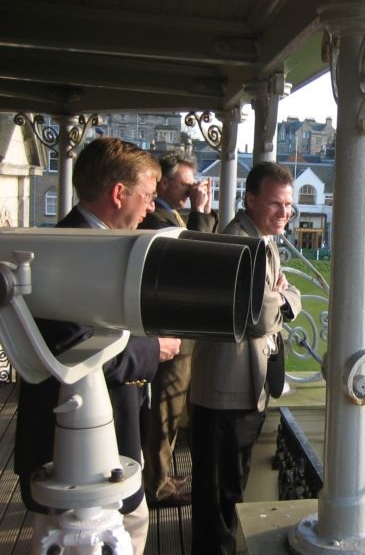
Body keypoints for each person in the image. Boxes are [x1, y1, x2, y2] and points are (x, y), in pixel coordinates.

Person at [14, 137, 181, 555]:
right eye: (146, 195)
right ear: (119, 192)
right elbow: (75, 349)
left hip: (99, 433)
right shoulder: (74, 252)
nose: (149, 208)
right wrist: (153, 348)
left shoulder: (89, 242)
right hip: (71, 447)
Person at [189, 162, 301, 555]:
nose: (284, 213)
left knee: (225, 489)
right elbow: (260, 316)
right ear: (250, 200)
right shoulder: (240, 242)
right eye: (275, 204)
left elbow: (269, 302)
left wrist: (278, 295)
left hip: (240, 386)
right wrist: (286, 297)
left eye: (289, 205)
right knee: (220, 495)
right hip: (227, 392)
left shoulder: (260, 239)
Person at [138, 150, 216, 508]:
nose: (191, 190)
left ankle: (163, 474)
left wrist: (198, 212)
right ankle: (157, 485)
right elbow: (196, 256)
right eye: (186, 184)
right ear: (164, 183)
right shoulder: (154, 218)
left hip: (172, 327)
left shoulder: (168, 214)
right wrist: (200, 212)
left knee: (171, 406)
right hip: (167, 330)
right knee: (165, 410)